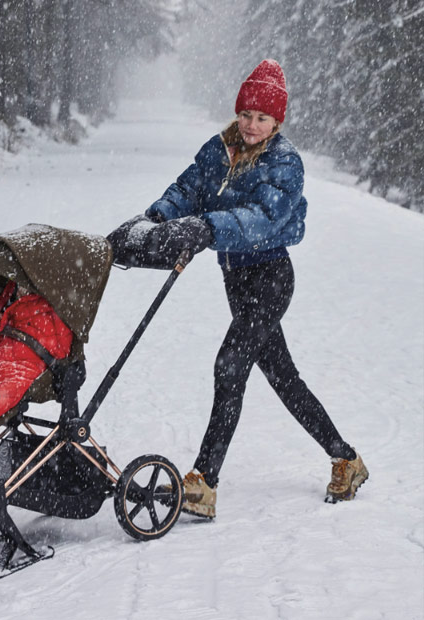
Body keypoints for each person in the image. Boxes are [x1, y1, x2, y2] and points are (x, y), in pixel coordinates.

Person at [146, 59, 368, 517]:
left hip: (270, 277)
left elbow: (263, 221)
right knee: (284, 379)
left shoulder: (285, 163)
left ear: (277, 122)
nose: (251, 125)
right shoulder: (218, 149)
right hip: (237, 280)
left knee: (230, 366)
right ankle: (346, 458)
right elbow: (187, 189)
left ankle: (203, 483)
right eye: (246, 114)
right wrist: (156, 219)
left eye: (262, 118)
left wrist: (207, 229)